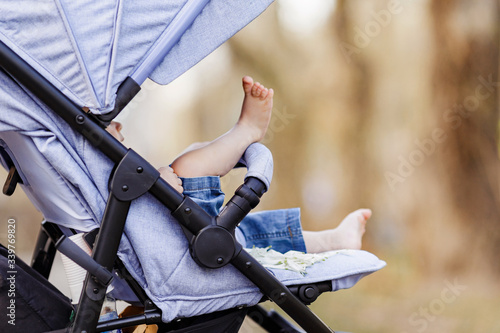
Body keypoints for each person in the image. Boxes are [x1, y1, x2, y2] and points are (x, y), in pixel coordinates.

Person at [107, 76, 371, 253]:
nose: (119, 123)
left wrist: (157, 179)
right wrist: (160, 180)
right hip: (177, 246)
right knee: (188, 166)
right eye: (106, 122)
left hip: (193, 239)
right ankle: (246, 130)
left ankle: (332, 240)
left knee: (242, 232)